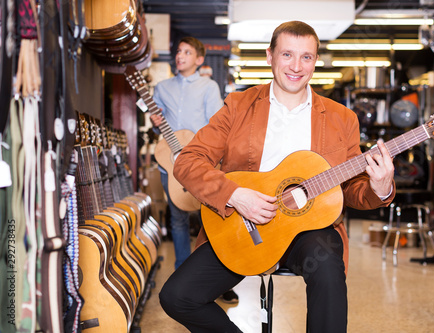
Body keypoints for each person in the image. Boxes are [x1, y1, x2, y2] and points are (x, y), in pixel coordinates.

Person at [159, 21, 395, 332]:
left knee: (327, 268)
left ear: (315, 61)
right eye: (287, 54)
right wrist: (234, 194)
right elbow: (188, 161)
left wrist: (380, 187)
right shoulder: (238, 105)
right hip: (242, 225)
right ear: (270, 56)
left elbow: (351, 190)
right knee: (177, 296)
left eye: (307, 57)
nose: (297, 67)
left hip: (311, 229)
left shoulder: (342, 119)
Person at [151, 36, 238, 304]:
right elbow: (158, 126)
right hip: (170, 163)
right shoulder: (161, 87)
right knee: (177, 220)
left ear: (199, 60)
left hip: (201, 162)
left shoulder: (209, 87)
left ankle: (220, 281)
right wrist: (156, 122)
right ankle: (182, 276)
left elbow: (216, 124)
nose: (180, 56)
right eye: (178, 51)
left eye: (187, 52)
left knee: (211, 220)